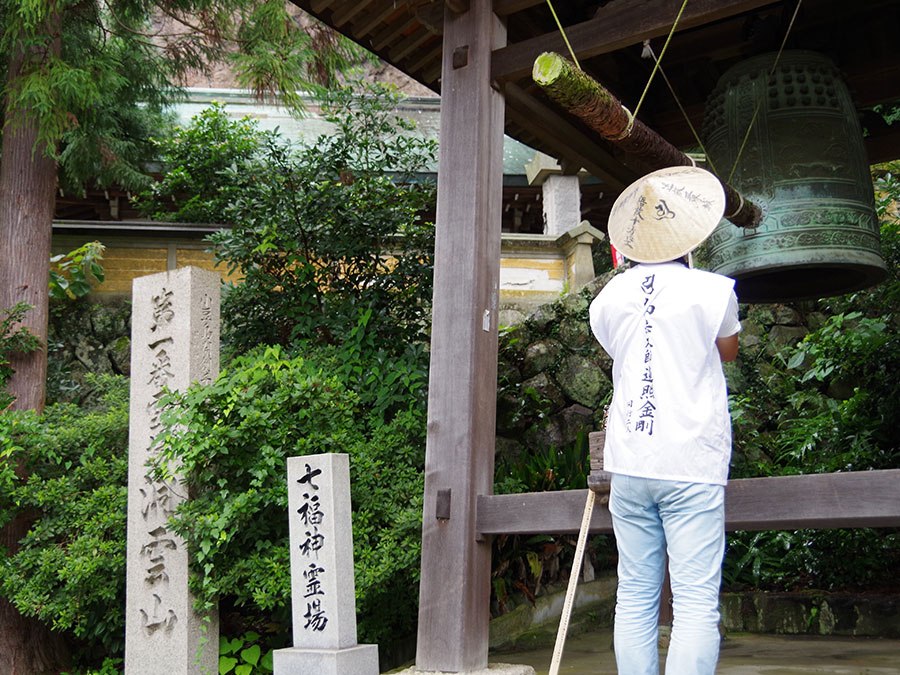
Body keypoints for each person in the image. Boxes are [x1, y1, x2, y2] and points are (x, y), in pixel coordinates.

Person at [588, 166, 741, 674]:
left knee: (634, 593)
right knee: (696, 599)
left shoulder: (606, 298)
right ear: (687, 235)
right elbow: (729, 352)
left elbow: (621, 350)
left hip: (630, 462)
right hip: (691, 461)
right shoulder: (713, 290)